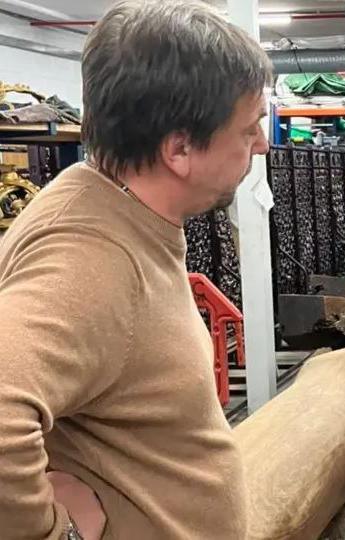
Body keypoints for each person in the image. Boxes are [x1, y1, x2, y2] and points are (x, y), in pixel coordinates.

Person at [0, 1, 271, 538]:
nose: (261, 144)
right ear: (180, 148)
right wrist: (55, 533)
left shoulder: (109, 205)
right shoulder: (90, 257)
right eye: (248, 129)